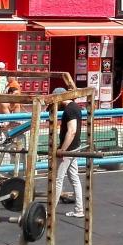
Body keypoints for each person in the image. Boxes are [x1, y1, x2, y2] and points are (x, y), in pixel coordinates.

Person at [52, 87, 83, 218]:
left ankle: (50, 211)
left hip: (69, 150)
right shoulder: (75, 107)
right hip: (74, 148)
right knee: (74, 178)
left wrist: (62, 150)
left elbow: (72, 131)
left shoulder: (69, 110)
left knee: (57, 180)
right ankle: (79, 209)